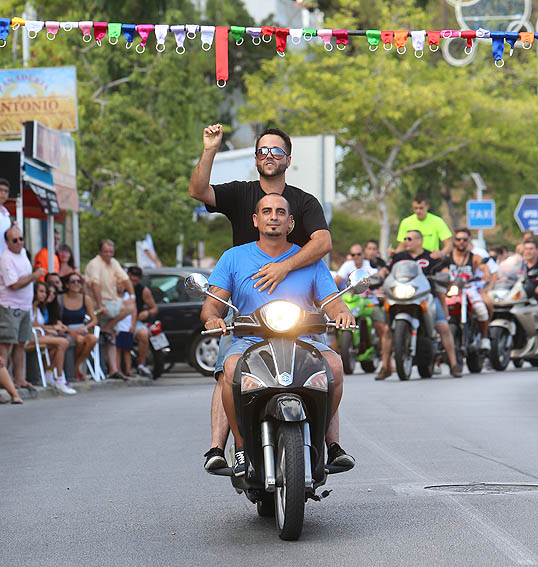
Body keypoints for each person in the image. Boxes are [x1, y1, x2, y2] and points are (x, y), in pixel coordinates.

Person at [189, 124, 332, 470]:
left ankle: (328, 446)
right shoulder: (240, 195)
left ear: (288, 158)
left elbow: (323, 243)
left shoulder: (304, 201)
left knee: (329, 368)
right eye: (263, 151)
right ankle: (222, 449)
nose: (269, 156)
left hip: (294, 313)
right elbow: (198, 191)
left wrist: (284, 267)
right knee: (229, 371)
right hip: (245, 309)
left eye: (277, 151)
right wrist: (210, 148)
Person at [202, 194, 355, 476]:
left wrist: (342, 313)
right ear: (255, 220)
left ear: (290, 221)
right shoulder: (233, 258)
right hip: (250, 342)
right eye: (267, 211)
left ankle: (327, 443)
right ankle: (240, 447)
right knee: (231, 367)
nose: (274, 216)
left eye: (281, 212)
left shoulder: (309, 260)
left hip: (303, 341)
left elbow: (332, 301)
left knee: (333, 364)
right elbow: (212, 305)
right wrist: (212, 318)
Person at [377, 229, 463, 378]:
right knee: (387, 329)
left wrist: (444, 272)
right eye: (405, 239)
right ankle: (385, 366)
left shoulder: (430, 256)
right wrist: (378, 277)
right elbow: (386, 270)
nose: (406, 241)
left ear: (419, 241)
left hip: (425, 296)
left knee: (442, 326)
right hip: (401, 297)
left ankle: (454, 363)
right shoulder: (399, 256)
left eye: (409, 239)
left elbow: (444, 271)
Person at [0, 227, 45, 391]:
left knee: (20, 344)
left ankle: (19, 379)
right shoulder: (5, 259)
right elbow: (14, 284)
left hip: (24, 306)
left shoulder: (23, 253)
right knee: (5, 344)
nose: (19, 243)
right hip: (10, 306)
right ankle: (4, 382)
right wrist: (35, 275)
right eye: (15, 240)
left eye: (21, 238)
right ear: (7, 242)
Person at [334, 244, 389, 377]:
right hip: (351, 301)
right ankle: (332, 361)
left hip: (370, 300)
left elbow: (378, 278)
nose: (356, 257)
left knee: (383, 328)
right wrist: (328, 291)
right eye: (353, 255)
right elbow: (337, 280)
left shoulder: (369, 266)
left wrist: (380, 282)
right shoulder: (347, 265)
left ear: (363, 254)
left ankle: (386, 362)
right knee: (331, 325)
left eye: (358, 254)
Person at [84, 239, 135, 380]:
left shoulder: (113, 262)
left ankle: (113, 370)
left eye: (111, 252)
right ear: (100, 251)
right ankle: (107, 328)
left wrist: (132, 295)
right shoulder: (95, 264)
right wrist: (100, 305)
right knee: (128, 308)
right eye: (106, 251)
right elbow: (95, 285)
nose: (108, 254)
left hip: (112, 303)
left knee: (112, 335)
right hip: (98, 304)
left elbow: (125, 279)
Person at [447, 228, 491, 350]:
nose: (461, 242)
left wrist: (485, 274)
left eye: (464, 239)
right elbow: (441, 269)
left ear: (469, 240)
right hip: (451, 290)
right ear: (454, 241)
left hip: (469, 289)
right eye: (458, 239)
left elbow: (484, 268)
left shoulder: (475, 257)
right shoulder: (447, 257)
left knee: (481, 310)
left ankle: (484, 338)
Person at [30, 281, 74, 394]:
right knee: (62, 342)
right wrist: (52, 327)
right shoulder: (29, 306)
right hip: (29, 337)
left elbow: (40, 326)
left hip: (38, 336)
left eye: (45, 292)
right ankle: (59, 379)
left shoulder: (38, 308)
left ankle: (49, 372)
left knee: (62, 343)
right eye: (41, 291)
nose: (44, 294)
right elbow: (33, 326)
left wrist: (51, 330)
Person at [60, 273, 99, 381]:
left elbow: (94, 319)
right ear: (67, 285)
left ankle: (75, 366)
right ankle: (75, 370)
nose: (76, 284)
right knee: (80, 340)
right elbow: (56, 318)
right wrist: (69, 330)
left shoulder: (85, 299)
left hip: (81, 329)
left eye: (78, 281)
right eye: (73, 281)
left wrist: (85, 327)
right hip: (66, 330)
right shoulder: (60, 299)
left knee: (93, 339)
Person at [394, 193, 453, 259]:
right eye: (415, 208)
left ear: (427, 206)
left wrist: (441, 253)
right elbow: (402, 245)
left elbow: (449, 244)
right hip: (411, 260)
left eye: (421, 208)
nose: (418, 211)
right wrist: (394, 254)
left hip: (431, 260)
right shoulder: (406, 222)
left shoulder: (437, 221)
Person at [127, 266, 158, 378]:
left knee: (143, 334)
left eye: (135, 281)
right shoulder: (120, 287)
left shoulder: (143, 291)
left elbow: (154, 308)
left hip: (135, 321)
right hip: (121, 320)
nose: (132, 283)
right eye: (130, 280)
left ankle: (141, 364)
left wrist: (147, 313)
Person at [115, 282, 137, 377]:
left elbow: (134, 311)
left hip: (126, 327)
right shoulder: (113, 297)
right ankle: (118, 369)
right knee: (117, 350)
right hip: (117, 327)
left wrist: (132, 324)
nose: (120, 286)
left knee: (127, 350)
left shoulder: (129, 296)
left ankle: (128, 370)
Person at [0, 178, 13, 257]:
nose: (3, 193)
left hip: (4, 257)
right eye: (0, 190)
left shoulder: (6, 212)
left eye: (6, 191)